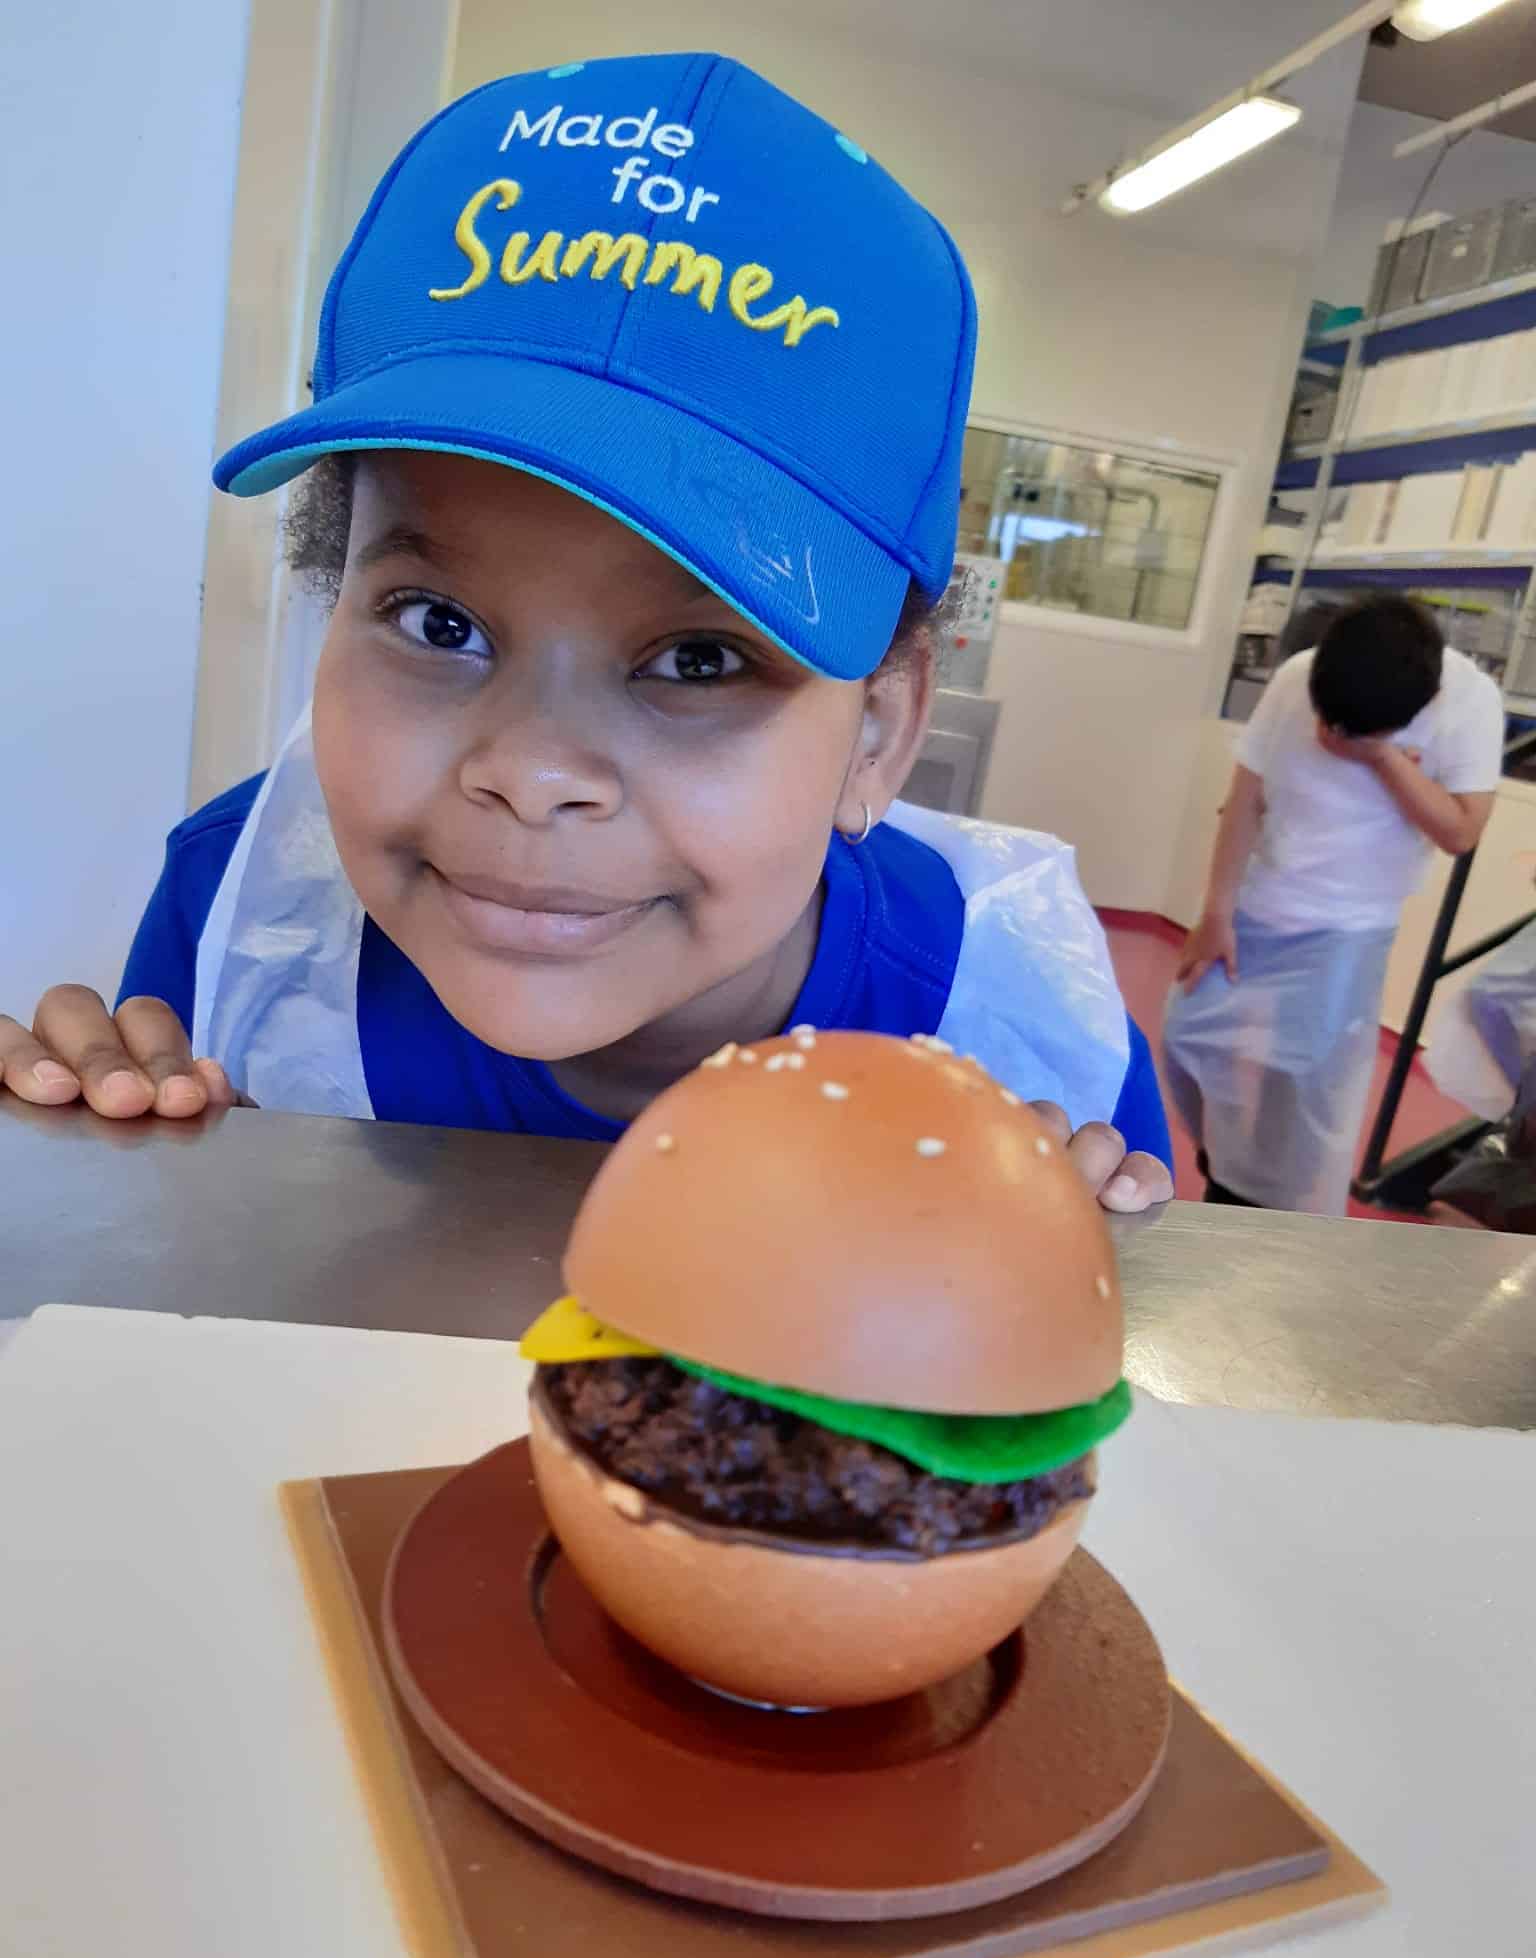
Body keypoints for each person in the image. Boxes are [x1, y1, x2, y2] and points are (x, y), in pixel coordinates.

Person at [0, 52, 1171, 1211]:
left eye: (699, 660)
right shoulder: (239, 916)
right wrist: (108, 1158)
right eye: (439, 623)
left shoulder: (1024, 1045)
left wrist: (1026, 1274)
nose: (531, 773)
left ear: (878, 732)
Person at [1165, 593, 1504, 1213]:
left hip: (1349, 930)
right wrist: (1216, 912)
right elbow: (1245, 800)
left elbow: (1461, 831)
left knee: (1304, 1094)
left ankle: (1271, 1218)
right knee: (1185, 1038)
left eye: (1353, 728)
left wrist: (1380, 759)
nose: (1333, 736)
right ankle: (1227, 1165)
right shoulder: (1300, 677)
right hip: (1260, 905)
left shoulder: (1470, 703)